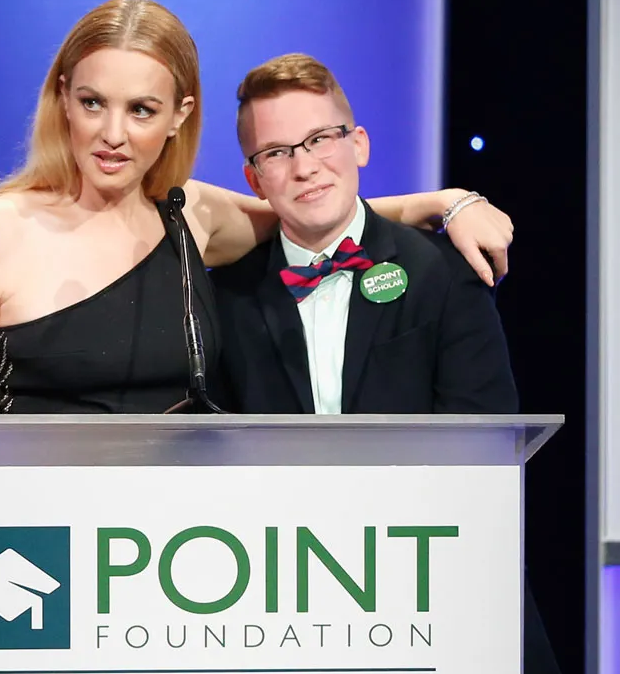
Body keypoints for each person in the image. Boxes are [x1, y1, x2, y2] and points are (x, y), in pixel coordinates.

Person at [0, 0, 513, 415]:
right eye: (93, 103)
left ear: (179, 117)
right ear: (62, 97)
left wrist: (449, 202)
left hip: (171, 541)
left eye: (141, 110)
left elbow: (310, 207)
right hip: (35, 538)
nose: (112, 133)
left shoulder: (188, 216)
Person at [211, 52, 518, 414]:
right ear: (254, 180)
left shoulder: (444, 273)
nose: (304, 168)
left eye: (319, 139)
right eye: (276, 152)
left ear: (359, 145)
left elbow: (485, 433)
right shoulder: (223, 300)